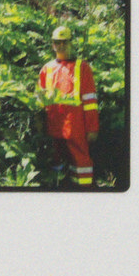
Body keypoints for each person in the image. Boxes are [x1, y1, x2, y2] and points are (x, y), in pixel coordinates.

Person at [38, 25, 100, 187]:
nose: (61, 46)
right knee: (57, 161)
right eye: (57, 42)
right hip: (54, 126)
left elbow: (90, 101)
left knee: (81, 161)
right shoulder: (47, 69)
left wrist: (92, 128)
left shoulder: (82, 68)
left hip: (76, 126)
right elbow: (40, 100)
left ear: (71, 43)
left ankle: (84, 191)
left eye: (64, 42)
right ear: (52, 44)